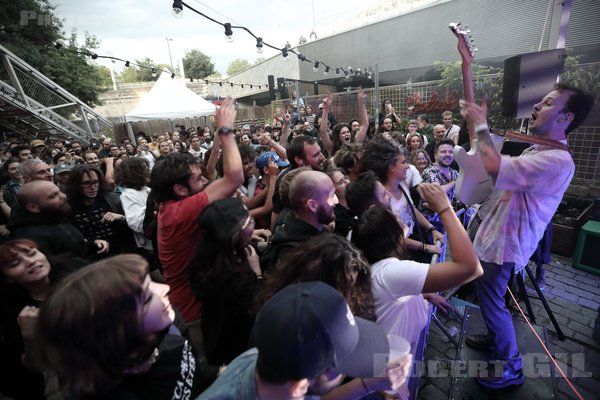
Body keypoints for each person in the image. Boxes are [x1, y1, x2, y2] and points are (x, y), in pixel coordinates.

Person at [459, 83, 594, 389]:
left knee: (493, 302)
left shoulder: (556, 160)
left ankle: (511, 368)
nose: (536, 107)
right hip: (497, 239)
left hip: (505, 246)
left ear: (565, 118)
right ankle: (497, 341)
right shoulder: (540, 148)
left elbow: (495, 167)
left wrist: (480, 124)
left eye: (547, 103)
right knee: (491, 300)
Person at [36, 254, 221, 399]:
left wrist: (222, 372)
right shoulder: (107, 393)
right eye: (147, 298)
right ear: (117, 335)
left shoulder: (168, 325)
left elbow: (189, 371)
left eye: (152, 283)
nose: (165, 289)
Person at [199, 281, 411, 400]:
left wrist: (369, 384)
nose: (347, 372)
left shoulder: (268, 358)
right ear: (298, 388)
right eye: (344, 365)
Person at [149, 98, 243, 353]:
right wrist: (225, 130)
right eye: (198, 178)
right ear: (179, 189)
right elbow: (234, 178)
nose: (204, 180)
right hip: (193, 315)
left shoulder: (173, 207)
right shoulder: (179, 212)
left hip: (198, 304)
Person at [351, 183, 482, 352]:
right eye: (394, 218)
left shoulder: (382, 269)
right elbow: (470, 268)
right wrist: (445, 209)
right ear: (393, 236)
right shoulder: (390, 272)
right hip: (389, 369)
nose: (399, 216)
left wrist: (425, 293)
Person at [0, 239, 85, 400]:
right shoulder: (15, 313)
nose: (30, 262)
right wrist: (30, 338)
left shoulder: (78, 271)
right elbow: (34, 366)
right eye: (15, 263)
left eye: (32, 253)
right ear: (8, 278)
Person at [188, 198, 263, 365]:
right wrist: (258, 274)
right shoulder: (238, 279)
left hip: (213, 337)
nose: (253, 223)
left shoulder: (203, 259)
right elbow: (256, 312)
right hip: (238, 353)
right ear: (236, 234)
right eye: (249, 221)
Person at [7, 180, 110, 259]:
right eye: (53, 196)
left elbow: (67, 248)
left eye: (59, 192)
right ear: (33, 207)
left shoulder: (55, 214)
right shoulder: (30, 238)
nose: (64, 196)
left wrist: (91, 245)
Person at [261, 170, 337, 270]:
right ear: (313, 205)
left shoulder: (314, 233)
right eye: (331, 196)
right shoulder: (297, 256)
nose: (336, 201)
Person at [65, 164, 136, 256]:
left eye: (95, 182)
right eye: (87, 183)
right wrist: (91, 242)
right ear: (77, 184)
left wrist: (121, 218)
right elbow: (69, 238)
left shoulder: (112, 200)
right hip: (89, 257)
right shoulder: (68, 207)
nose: (92, 187)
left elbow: (134, 226)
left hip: (118, 253)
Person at [419, 138, 458, 233]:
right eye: (443, 152)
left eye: (451, 152)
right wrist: (454, 182)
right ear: (435, 155)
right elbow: (436, 193)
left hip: (447, 222)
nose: (448, 154)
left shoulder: (455, 173)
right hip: (430, 224)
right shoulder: (430, 171)